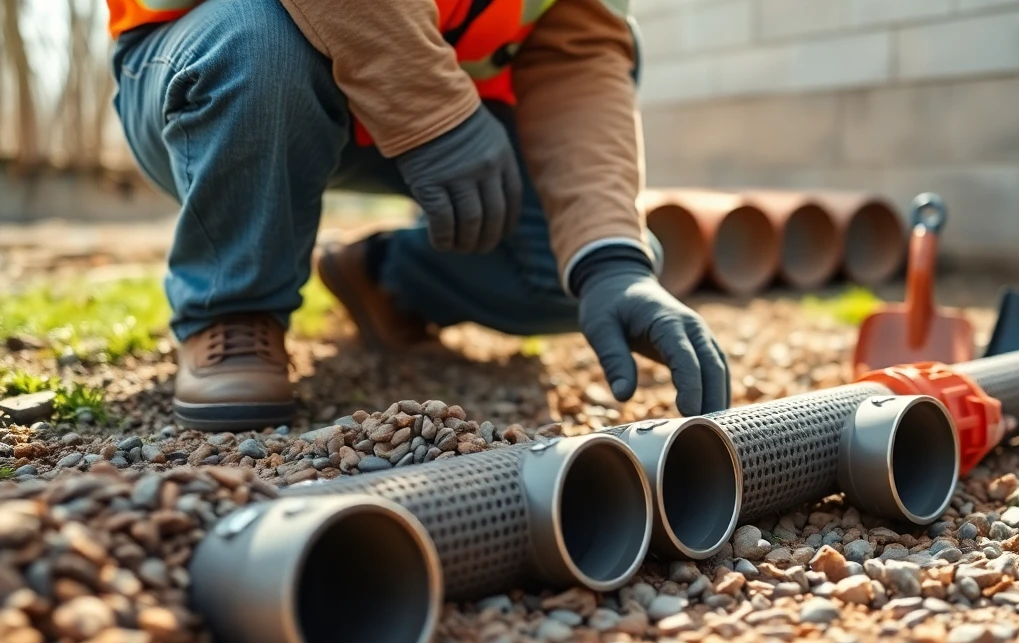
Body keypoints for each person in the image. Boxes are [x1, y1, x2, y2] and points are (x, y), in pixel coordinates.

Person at [105, 0, 729, 431]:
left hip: (428, 111)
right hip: (216, 71)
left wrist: (613, 257)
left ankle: (384, 278)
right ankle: (234, 309)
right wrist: (433, 115)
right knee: (259, 43)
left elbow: (581, 51)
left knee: (574, 272)